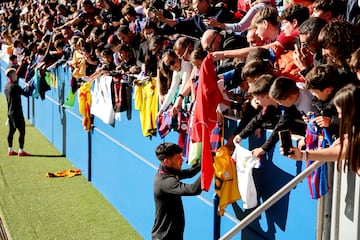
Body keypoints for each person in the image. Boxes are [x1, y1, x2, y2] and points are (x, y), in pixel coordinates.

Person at [281, 84, 360, 175]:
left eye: (341, 112)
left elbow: (340, 151)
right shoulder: (353, 133)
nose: (339, 117)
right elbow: (340, 151)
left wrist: (303, 155)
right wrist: (303, 155)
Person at [152, 142, 201, 240]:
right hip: (166, 238)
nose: (182, 160)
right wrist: (208, 171)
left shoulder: (167, 171)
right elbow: (193, 190)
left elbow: (189, 173)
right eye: (178, 158)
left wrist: (206, 161)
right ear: (167, 162)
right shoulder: (165, 182)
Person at [4, 68, 31, 156]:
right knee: (22, 131)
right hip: (17, 113)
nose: (16, 76)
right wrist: (28, 86)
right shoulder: (15, 86)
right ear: (11, 76)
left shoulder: (6, 87)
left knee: (11, 131)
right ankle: (21, 151)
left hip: (10, 113)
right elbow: (26, 93)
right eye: (15, 74)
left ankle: (10, 150)